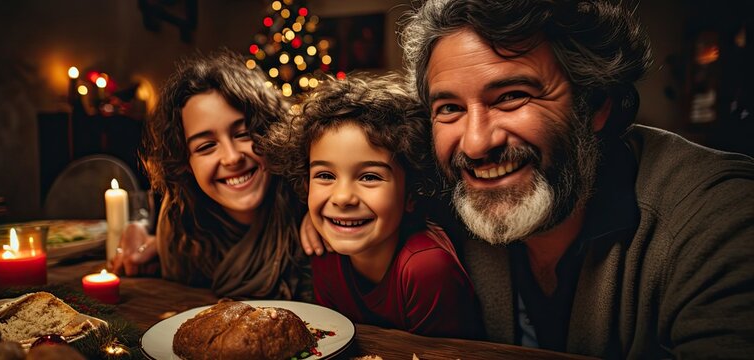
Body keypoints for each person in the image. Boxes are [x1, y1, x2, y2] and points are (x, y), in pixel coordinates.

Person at [389, 0, 754, 357]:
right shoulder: (427, 199)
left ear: (595, 104)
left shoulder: (721, 216)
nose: (476, 143)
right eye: (449, 108)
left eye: (512, 97)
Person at [260, 73, 483, 339]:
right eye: (325, 176)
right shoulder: (326, 253)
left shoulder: (426, 268)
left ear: (411, 192)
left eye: (369, 177)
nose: (342, 198)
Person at [110, 49, 311, 300]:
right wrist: (146, 242)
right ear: (184, 163)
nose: (232, 157)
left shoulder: (310, 209)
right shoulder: (180, 227)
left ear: (272, 133)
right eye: (206, 146)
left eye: (244, 134)